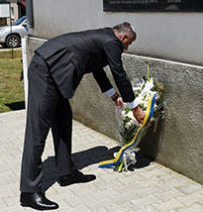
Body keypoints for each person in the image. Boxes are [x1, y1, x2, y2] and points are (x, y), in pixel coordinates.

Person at [19, 22, 145, 210]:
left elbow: (97, 69)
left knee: (63, 121)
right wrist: (135, 107)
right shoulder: (112, 42)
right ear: (124, 38)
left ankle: (66, 172)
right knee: (37, 131)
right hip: (46, 71)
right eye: (128, 44)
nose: (125, 49)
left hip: (55, 74)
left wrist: (114, 96)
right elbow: (119, 73)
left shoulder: (103, 38)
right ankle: (29, 192)